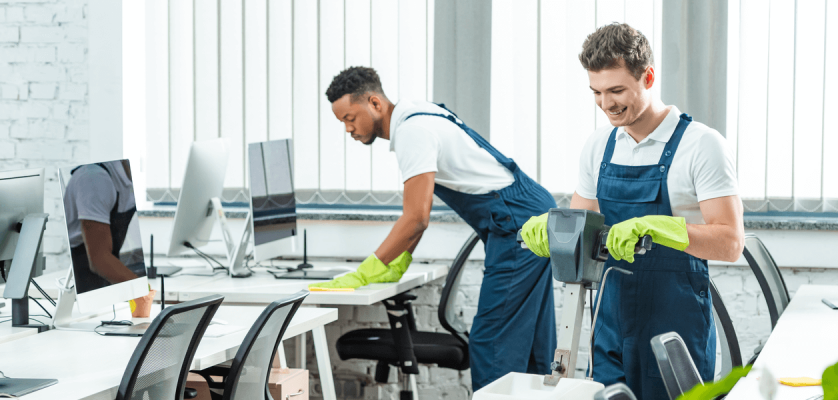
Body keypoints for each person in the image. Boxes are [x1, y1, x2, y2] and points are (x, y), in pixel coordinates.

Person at [520, 23, 744, 399]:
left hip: (676, 327)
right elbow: (582, 230)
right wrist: (554, 229)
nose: (606, 104)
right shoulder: (599, 146)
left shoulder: (702, 145)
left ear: (648, 77)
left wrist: (660, 228)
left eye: (617, 90)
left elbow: (730, 243)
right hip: (610, 322)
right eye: (596, 92)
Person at [313, 67, 559, 391]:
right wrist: (397, 261)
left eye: (349, 117)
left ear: (374, 103)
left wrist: (366, 271)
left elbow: (416, 217)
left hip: (518, 222)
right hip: (528, 210)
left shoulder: (412, 132)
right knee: (531, 338)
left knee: (492, 342)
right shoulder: (420, 112)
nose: (348, 128)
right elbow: (418, 217)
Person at [64, 160, 148, 316]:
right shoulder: (94, 178)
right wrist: (143, 295)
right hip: (86, 280)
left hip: (109, 275)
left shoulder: (129, 176)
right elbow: (99, 260)